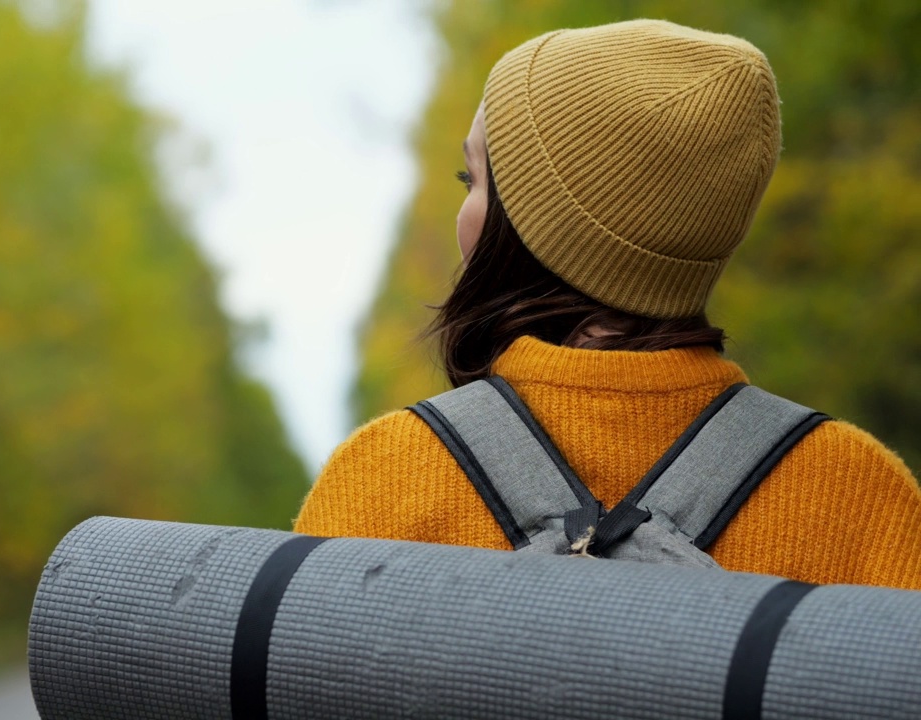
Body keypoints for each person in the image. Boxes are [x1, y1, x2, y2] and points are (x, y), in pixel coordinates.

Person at [292, 19, 921, 589]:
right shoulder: (865, 498)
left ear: (534, 229)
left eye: (475, 181)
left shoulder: (381, 481)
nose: (464, 215)